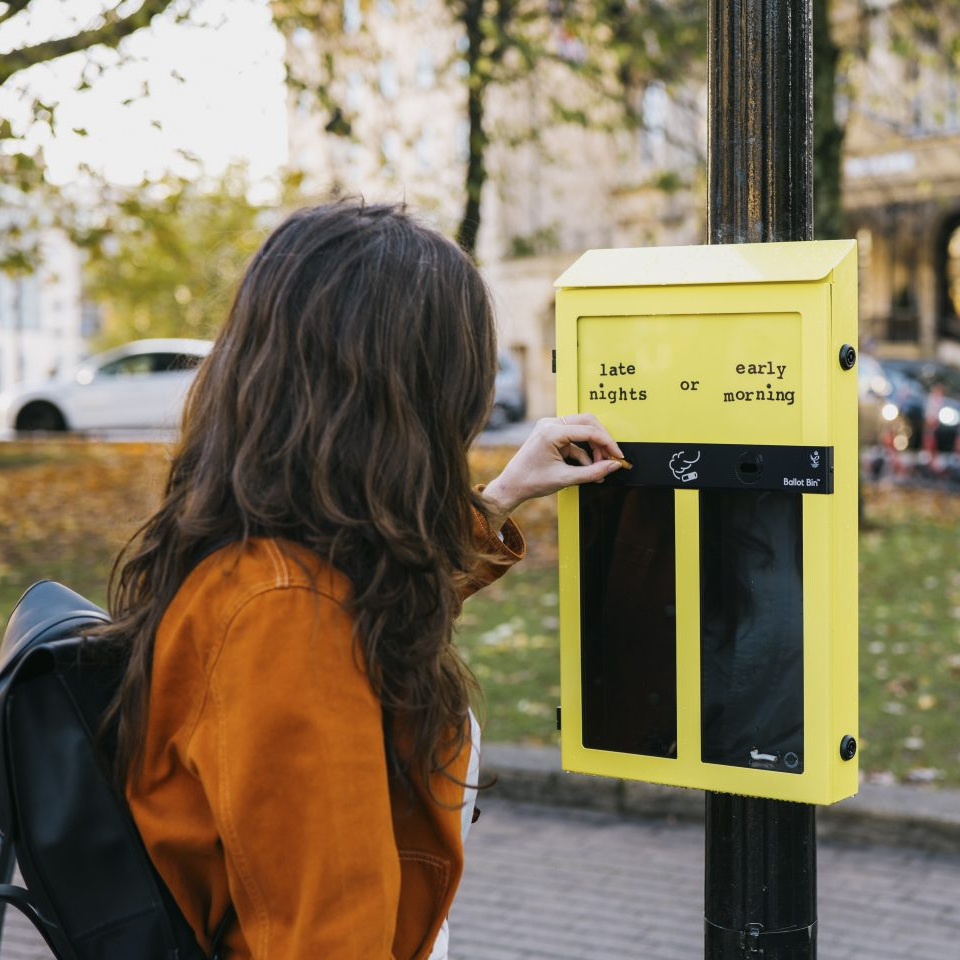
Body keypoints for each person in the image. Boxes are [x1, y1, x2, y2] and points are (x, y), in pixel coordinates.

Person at [100, 201, 624, 959]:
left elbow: (370, 610)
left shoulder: (268, 556)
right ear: (410, 394)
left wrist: (502, 496)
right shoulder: (287, 619)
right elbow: (331, 939)